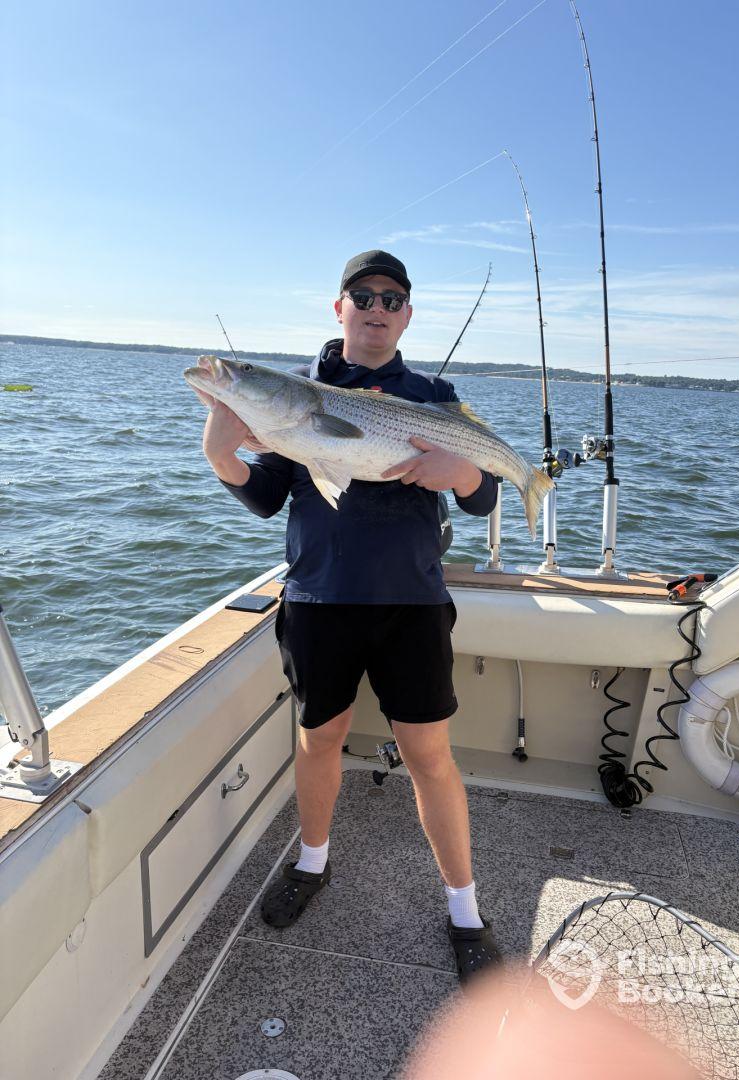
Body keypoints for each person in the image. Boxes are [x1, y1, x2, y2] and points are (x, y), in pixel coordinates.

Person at [198, 250, 502, 983]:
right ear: (338, 308)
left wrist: (462, 473)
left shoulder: (433, 394)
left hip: (412, 603)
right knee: (318, 737)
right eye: (361, 295)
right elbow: (268, 495)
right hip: (319, 600)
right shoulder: (297, 395)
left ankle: (465, 908)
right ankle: (311, 862)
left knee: (431, 756)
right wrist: (222, 455)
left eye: (391, 298)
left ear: (406, 315)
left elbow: (482, 496)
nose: (376, 307)